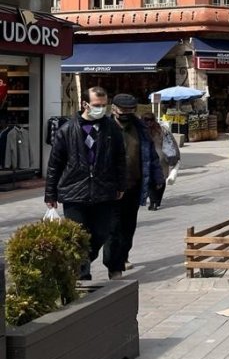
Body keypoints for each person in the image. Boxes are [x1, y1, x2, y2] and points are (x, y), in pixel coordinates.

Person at [45, 86, 126, 281]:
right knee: (78, 236)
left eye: (104, 105)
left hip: (103, 190)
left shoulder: (111, 128)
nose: (102, 109)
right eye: (97, 105)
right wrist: (50, 194)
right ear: (85, 104)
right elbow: (55, 164)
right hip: (74, 192)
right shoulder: (67, 130)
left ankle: (82, 261)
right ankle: (82, 274)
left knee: (100, 233)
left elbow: (120, 158)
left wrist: (121, 185)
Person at [105, 94, 165, 278]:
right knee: (113, 228)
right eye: (123, 110)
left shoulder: (140, 128)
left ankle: (122, 257)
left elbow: (151, 156)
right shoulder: (105, 128)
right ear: (113, 109)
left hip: (134, 186)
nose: (126, 114)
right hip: (111, 189)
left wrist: (158, 177)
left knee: (128, 228)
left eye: (130, 110)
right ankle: (114, 266)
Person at [141, 113, 180, 210]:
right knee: (159, 180)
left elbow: (171, 143)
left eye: (150, 120)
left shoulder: (141, 130)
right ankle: (156, 201)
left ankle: (154, 202)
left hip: (156, 158)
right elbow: (172, 143)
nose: (149, 122)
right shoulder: (161, 129)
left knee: (153, 181)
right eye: (147, 120)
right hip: (159, 158)